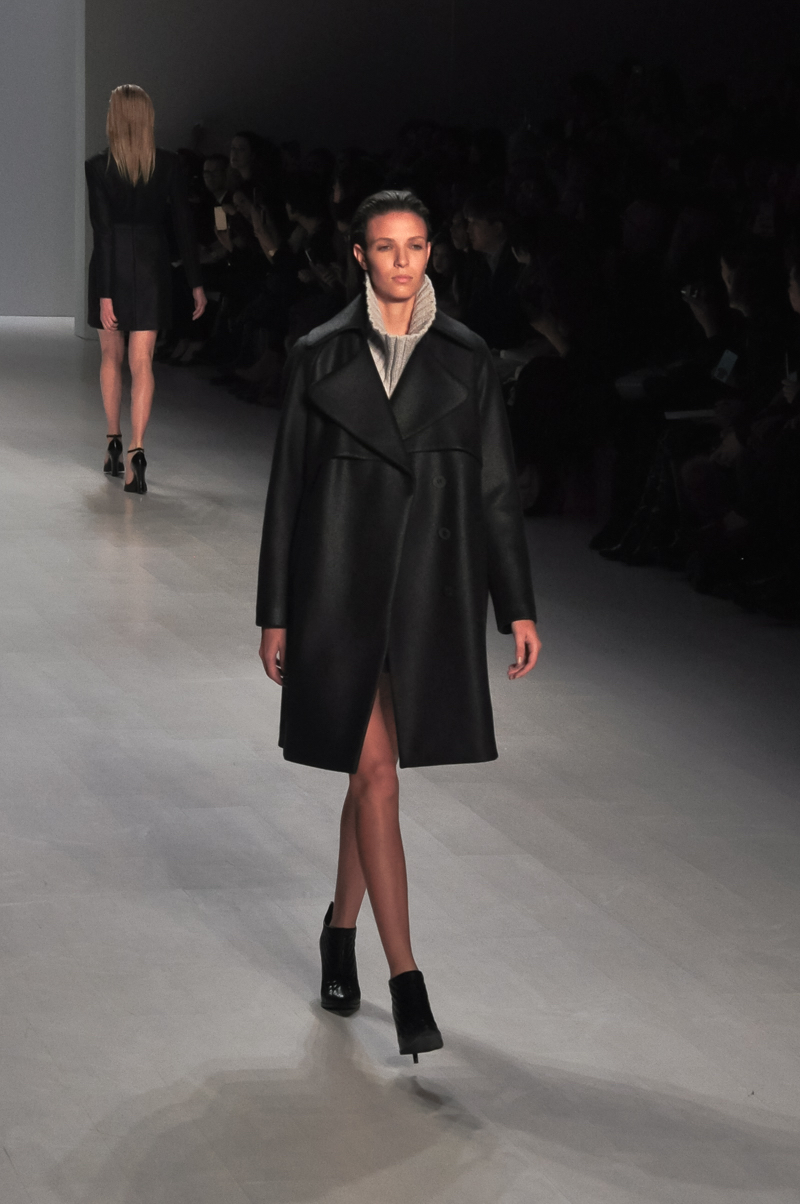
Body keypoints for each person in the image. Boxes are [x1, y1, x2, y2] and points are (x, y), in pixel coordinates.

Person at [256, 190, 540, 1062]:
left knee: (369, 777)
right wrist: (275, 612)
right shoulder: (319, 355)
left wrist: (517, 603)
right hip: (338, 584)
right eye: (386, 247)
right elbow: (287, 488)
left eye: (416, 245)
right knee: (376, 775)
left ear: (430, 253)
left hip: (425, 588)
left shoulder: (466, 357)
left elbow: (495, 488)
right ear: (359, 256)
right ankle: (406, 977)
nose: (404, 261)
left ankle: (340, 930)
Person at [85, 85, 206, 492]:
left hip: (112, 266)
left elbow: (103, 233)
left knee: (111, 356)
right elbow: (184, 226)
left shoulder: (98, 167)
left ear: (114, 117)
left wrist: (105, 292)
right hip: (152, 265)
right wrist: (196, 282)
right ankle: (138, 450)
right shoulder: (169, 164)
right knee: (143, 361)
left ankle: (113, 443)